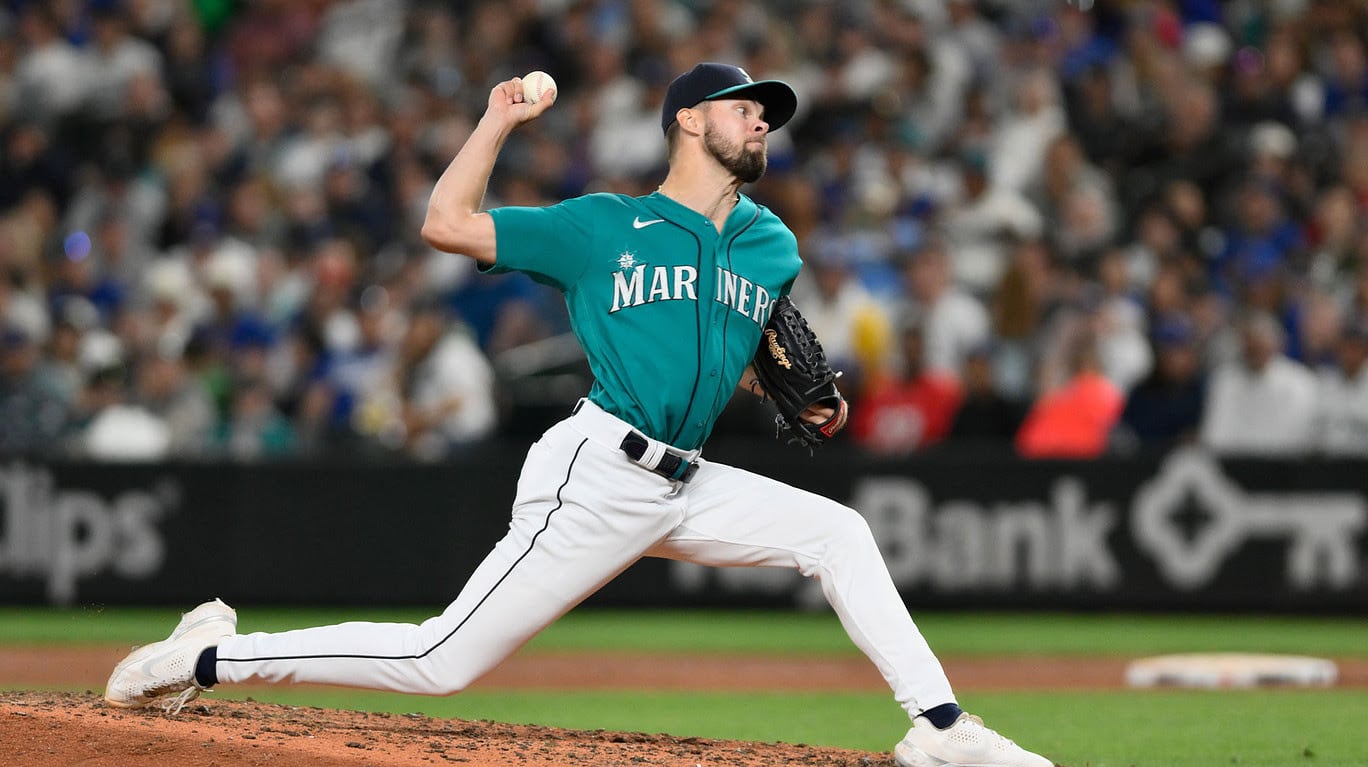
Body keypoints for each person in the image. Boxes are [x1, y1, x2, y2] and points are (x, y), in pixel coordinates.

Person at [104, 63, 1052, 767]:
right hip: (595, 473)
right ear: (689, 119)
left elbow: (755, 357)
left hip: (689, 479)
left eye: (768, 114)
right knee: (441, 660)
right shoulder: (601, 224)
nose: (761, 119)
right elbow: (445, 221)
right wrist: (496, 120)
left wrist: (808, 391)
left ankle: (940, 731)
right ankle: (210, 655)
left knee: (839, 532)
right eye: (744, 106)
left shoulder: (769, 243)